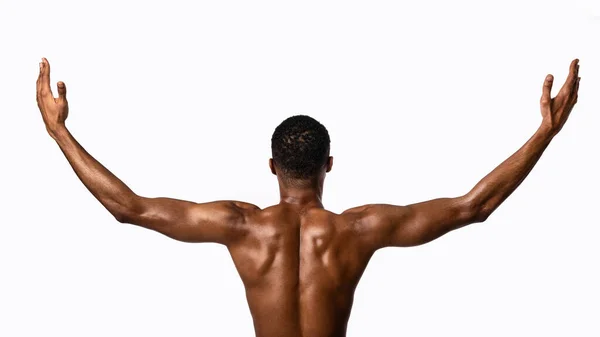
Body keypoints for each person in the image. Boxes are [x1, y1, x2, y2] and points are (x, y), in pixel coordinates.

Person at [36, 58, 580, 337]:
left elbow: (129, 208)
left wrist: (59, 132)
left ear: (272, 167)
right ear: (329, 166)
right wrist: (544, 133)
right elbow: (474, 207)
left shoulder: (240, 226)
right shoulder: (359, 230)